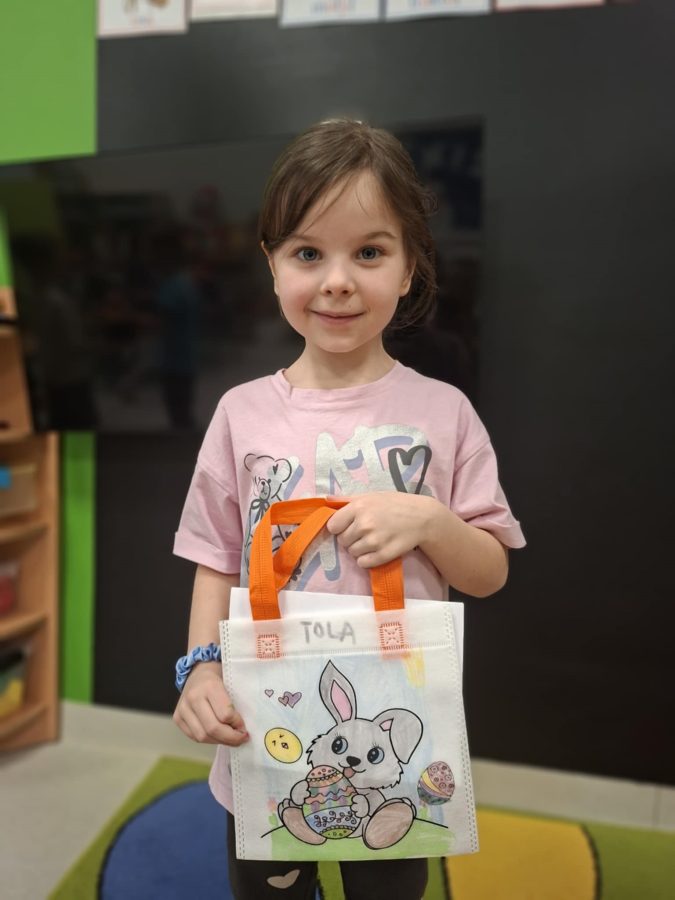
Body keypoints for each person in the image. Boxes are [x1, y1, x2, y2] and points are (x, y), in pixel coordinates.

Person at [172, 119, 526, 900]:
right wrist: (199, 670)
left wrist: (429, 522)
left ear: (408, 268)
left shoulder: (444, 413)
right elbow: (213, 556)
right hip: (266, 730)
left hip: (395, 742)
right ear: (270, 265)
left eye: (368, 252)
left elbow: (490, 571)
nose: (336, 281)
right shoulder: (239, 414)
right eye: (307, 254)